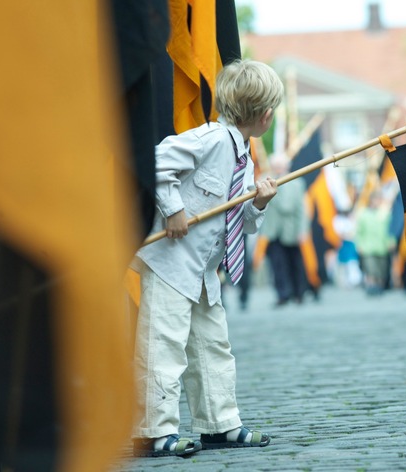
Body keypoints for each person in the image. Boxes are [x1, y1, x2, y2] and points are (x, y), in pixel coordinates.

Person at [130, 59, 284, 457]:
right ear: (266, 116)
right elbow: (155, 161)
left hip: (202, 272)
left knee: (213, 345)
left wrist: (259, 203)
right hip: (169, 264)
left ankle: (220, 424)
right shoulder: (210, 140)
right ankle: (153, 431)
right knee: (162, 345)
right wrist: (173, 207)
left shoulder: (244, 159)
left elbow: (242, 223)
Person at [258, 154, 310, 306]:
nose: (279, 169)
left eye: (281, 166)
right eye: (276, 166)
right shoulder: (264, 180)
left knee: (296, 263)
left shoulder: (297, 182)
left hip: (292, 230)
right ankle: (282, 294)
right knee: (277, 265)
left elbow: (301, 209)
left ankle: (299, 293)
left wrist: (303, 230)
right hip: (272, 230)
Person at [355, 192, 395, 295]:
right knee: (370, 269)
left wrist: (391, 241)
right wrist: (359, 244)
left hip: (382, 247)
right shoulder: (364, 214)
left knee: (381, 270)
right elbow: (359, 231)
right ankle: (371, 287)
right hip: (368, 248)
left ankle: (380, 287)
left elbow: (390, 229)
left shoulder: (385, 214)